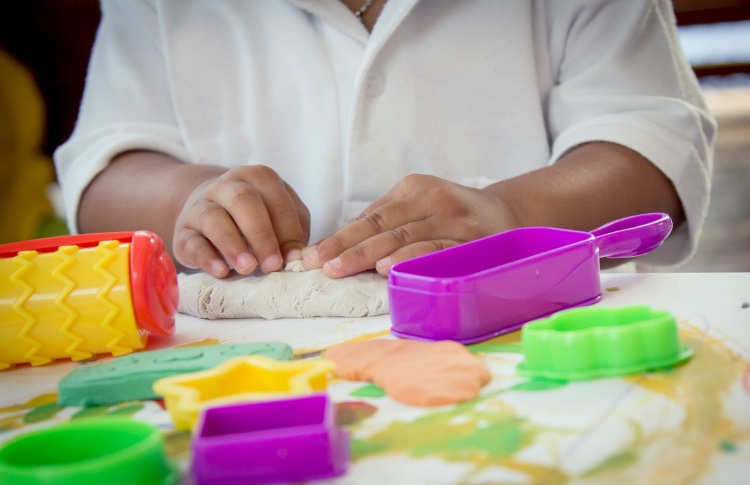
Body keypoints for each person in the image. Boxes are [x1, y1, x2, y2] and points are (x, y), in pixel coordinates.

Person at [54, 0, 716, 281]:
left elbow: (651, 145)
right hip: (243, 376)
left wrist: (514, 214)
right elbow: (103, 170)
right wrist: (186, 200)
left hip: (537, 342)